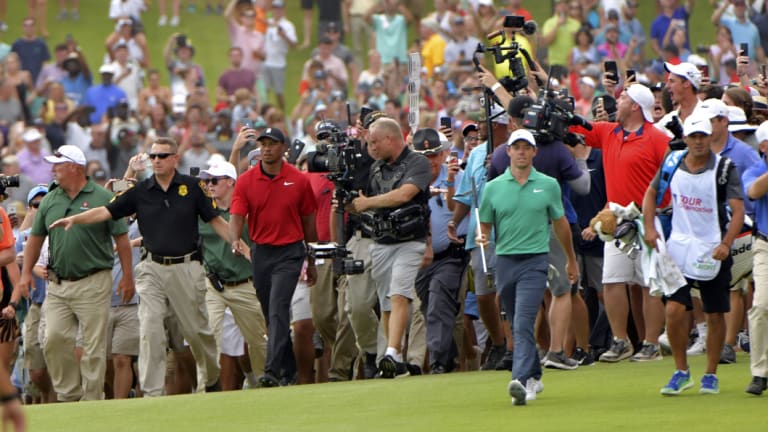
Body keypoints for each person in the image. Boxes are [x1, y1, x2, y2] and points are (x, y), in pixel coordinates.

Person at [47, 137, 229, 396]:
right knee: (150, 328)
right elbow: (107, 210)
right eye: (153, 156)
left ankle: (211, 377)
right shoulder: (141, 190)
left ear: (175, 158)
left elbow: (216, 221)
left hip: (187, 267)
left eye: (162, 156)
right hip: (152, 267)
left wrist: (239, 244)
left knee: (197, 332)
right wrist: (75, 218)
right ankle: (152, 394)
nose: (156, 160)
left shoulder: (194, 186)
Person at [18, 145, 134, 402]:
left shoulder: (103, 197)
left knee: (93, 346)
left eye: (58, 165)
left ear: (74, 167)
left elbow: (122, 240)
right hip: (58, 284)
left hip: (94, 280)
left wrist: (127, 277)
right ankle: (68, 395)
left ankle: (92, 399)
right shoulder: (49, 199)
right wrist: (26, 273)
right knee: (54, 339)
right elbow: (36, 239)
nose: (53, 169)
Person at [642, 112, 744, 395]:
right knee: (674, 310)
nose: (698, 142)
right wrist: (649, 226)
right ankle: (681, 371)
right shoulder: (672, 161)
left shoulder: (724, 168)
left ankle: (710, 373)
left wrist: (726, 243)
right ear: (685, 138)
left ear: (710, 137)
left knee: (714, 314)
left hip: (713, 247)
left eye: (703, 136)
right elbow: (651, 193)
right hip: (679, 246)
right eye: (693, 136)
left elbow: (737, 211)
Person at [477, 129, 578, 406]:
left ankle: (519, 380)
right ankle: (534, 373)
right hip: (506, 261)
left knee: (522, 321)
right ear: (508, 151)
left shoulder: (548, 185)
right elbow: (485, 223)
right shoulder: (493, 187)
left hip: (536, 260)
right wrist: (483, 235)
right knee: (514, 320)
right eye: (516, 147)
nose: (521, 152)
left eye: (526, 147)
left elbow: (560, 224)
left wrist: (570, 259)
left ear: (534, 152)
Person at [573, 84, 671, 362]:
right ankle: (621, 341)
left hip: (646, 220)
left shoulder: (656, 138)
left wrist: (654, 213)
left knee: (648, 283)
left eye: (624, 98)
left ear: (636, 106)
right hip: (616, 220)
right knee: (612, 281)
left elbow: (668, 179)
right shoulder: (609, 132)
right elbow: (577, 129)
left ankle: (651, 343)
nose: (618, 101)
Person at [229, 127, 318, 387]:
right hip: (261, 252)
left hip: (290, 251)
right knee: (271, 313)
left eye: (272, 144)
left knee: (279, 308)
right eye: (263, 144)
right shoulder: (246, 180)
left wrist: (311, 259)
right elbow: (237, 215)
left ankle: (271, 371)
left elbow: (308, 221)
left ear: (283, 148)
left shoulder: (298, 180)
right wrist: (235, 238)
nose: (266, 148)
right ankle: (289, 370)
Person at [347, 117, 431, 378]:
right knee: (386, 303)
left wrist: (369, 202)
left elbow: (405, 194)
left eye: (373, 142)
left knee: (399, 293)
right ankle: (393, 358)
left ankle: (393, 352)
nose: (370, 148)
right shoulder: (375, 169)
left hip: (410, 240)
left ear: (390, 139)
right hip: (382, 240)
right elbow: (360, 203)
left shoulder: (418, 162)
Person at [198, 161, 267, 389]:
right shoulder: (204, 212)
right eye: (207, 181)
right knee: (208, 336)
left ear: (230, 182)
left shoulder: (248, 210)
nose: (209, 185)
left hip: (245, 283)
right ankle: (205, 388)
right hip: (214, 285)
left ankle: (265, 384)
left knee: (258, 342)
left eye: (214, 180)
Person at [413, 128, 467, 374]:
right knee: (429, 309)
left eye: (434, 154)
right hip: (419, 259)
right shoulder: (409, 181)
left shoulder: (456, 176)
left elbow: (456, 205)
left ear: (444, 153)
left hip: (449, 255)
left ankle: (437, 363)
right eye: (424, 156)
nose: (430, 161)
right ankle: (450, 358)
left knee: (437, 301)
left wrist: (452, 183)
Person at [742, 121, 768, 395]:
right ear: (764, 147)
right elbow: (752, 192)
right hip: (765, 245)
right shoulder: (757, 170)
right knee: (761, 306)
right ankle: (760, 373)